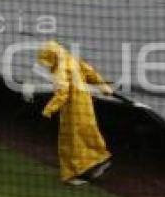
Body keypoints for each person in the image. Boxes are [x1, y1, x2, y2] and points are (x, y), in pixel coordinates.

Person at [37, 41, 114, 186]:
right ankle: (98, 159)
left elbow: (63, 93)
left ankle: (72, 173)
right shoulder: (72, 59)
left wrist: (49, 109)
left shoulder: (60, 70)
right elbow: (91, 73)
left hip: (71, 109)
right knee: (88, 133)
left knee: (69, 142)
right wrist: (104, 87)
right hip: (85, 105)